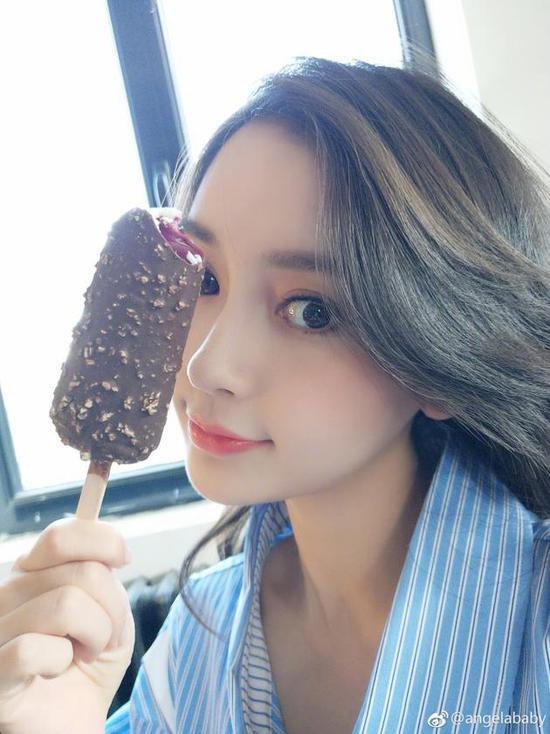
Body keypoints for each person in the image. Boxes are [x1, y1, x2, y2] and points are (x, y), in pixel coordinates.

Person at [0, 57, 548, 734]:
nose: (207, 365)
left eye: (311, 311)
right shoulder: (191, 646)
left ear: (441, 361)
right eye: (205, 280)